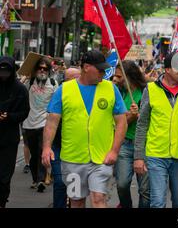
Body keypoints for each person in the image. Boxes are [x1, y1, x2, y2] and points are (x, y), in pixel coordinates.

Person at [42, 50, 128, 208]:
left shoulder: (111, 89)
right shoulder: (64, 89)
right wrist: (47, 147)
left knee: (98, 199)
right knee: (76, 201)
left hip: (102, 159)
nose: (104, 73)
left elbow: (122, 122)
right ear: (87, 67)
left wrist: (114, 151)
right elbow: (52, 122)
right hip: (73, 159)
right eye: (100, 69)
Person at [133, 52, 178, 208]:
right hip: (156, 155)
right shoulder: (151, 90)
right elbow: (142, 125)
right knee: (157, 202)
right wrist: (138, 156)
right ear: (167, 69)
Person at [113, 61, 150, 208]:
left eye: (119, 76)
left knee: (145, 190)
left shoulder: (147, 92)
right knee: (122, 184)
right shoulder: (118, 92)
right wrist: (130, 116)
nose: (116, 79)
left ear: (130, 77)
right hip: (125, 143)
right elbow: (116, 122)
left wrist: (139, 114)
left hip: (145, 145)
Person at [22, 57, 58, 193]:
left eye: (45, 68)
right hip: (29, 123)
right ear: (35, 69)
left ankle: (42, 180)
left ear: (49, 71)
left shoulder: (54, 84)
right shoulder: (29, 82)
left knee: (42, 150)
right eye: (40, 68)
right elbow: (18, 89)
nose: (42, 70)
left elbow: (57, 102)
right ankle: (35, 179)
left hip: (45, 122)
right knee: (34, 153)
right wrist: (24, 78)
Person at [0, 56, 30, 208]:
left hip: (9, 139)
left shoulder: (20, 89)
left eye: (7, 71)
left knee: (4, 176)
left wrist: (9, 116)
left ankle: (2, 200)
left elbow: (25, 111)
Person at [50, 67, 81, 208]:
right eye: (70, 80)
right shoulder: (59, 94)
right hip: (58, 146)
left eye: (77, 78)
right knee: (59, 181)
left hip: (78, 149)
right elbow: (50, 121)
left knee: (77, 186)